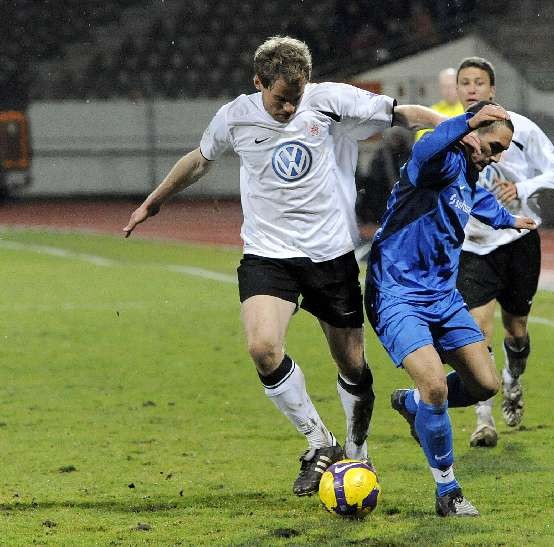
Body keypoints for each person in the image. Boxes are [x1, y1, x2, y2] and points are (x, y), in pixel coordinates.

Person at [122, 35, 443, 497]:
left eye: (296, 99)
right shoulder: (235, 115)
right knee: (263, 348)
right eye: (280, 100)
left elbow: (402, 114)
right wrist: (153, 202)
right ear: (258, 82)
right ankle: (320, 442)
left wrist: (453, 128)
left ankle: (355, 449)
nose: (290, 109)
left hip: (331, 255)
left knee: (353, 366)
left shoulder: (330, 100)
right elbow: (199, 160)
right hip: (269, 254)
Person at [365, 101, 537, 517]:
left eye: (502, 152)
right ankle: (448, 490)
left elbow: (476, 200)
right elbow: (426, 150)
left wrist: (506, 220)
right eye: (493, 146)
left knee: (485, 384)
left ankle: (413, 404)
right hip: (396, 292)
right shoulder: (436, 162)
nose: (495, 157)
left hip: (442, 296)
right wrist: (463, 123)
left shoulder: (467, 175)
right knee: (438, 386)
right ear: (471, 133)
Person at [453, 57, 554, 448]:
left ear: (492, 90)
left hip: (519, 242)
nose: (471, 88)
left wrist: (521, 189)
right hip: (474, 246)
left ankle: (513, 380)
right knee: (476, 330)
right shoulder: (449, 132)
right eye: (464, 82)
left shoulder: (523, 129)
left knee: (515, 331)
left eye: (478, 82)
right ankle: (483, 418)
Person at [415, 67, 464, 141]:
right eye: (444, 86)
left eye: (451, 86)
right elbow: (421, 140)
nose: (448, 91)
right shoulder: (431, 111)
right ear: (440, 88)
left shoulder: (469, 109)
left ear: (459, 85)